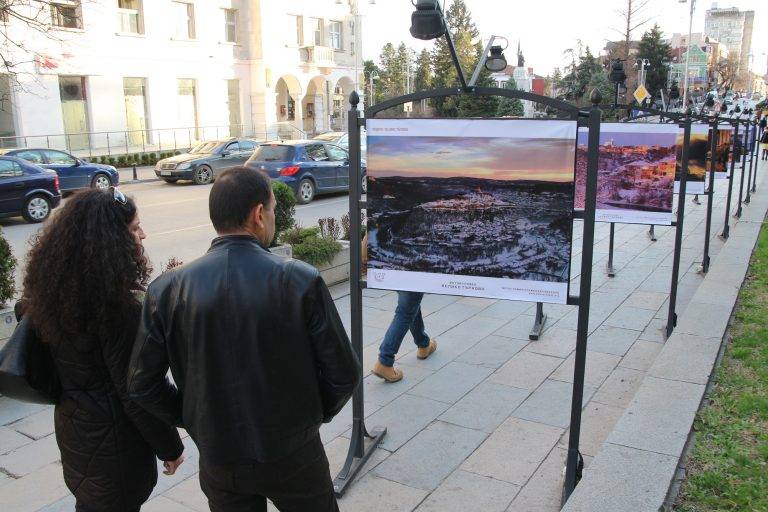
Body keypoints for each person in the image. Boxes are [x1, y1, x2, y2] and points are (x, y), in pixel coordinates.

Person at [127, 167, 359, 512]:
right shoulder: (298, 280)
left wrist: (195, 416)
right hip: (294, 452)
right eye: (273, 211)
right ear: (258, 214)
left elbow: (141, 384)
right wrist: (309, 416)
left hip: (220, 457)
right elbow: (344, 373)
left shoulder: (167, 289)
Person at [21, 188, 184, 512]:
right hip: (116, 453)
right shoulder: (115, 309)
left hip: (77, 437)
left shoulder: (50, 296)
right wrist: (170, 446)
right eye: (135, 228)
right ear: (111, 241)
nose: (143, 235)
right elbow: (135, 391)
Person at [363, 235, 438, 383]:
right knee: (405, 311)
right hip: (411, 258)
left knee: (410, 304)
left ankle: (423, 344)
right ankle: (385, 361)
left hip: (390, 257)